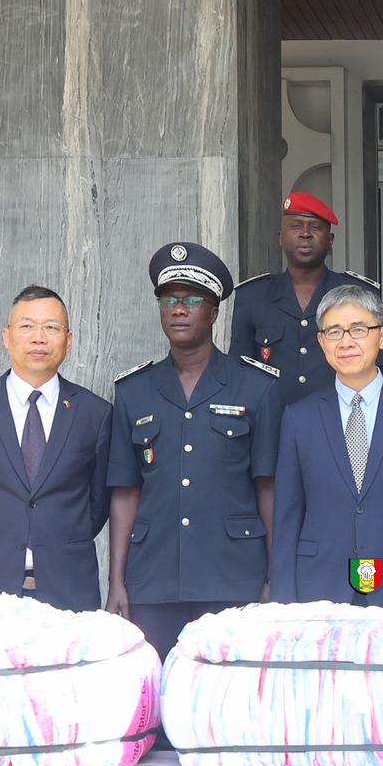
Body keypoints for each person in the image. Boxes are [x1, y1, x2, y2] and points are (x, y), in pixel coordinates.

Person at [108, 243, 281, 652]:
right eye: (169, 300)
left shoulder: (257, 388)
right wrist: (116, 579)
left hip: (234, 576)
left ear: (214, 311)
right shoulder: (133, 392)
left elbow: (269, 490)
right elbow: (126, 491)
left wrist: (275, 577)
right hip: (154, 578)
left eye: (191, 300)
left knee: (230, 704)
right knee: (160, 700)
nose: (179, 309)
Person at [270, 283, 383, 605]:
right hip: (319, 587)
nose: (346, 342)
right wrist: (285, 604)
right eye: (334, 332)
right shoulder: (298, 418)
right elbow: (287, 518)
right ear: (321, 342)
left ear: (382, 336)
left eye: (358, 329)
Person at [0, 285, 111, 610]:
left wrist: (63, 537)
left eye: (51, 328)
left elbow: (98, 500)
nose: (39, 338)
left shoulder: (95, 413)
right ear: (6, 336)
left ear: (68, 341)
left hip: (68, 579)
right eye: (26, 326)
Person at [228, 191, 383, 407]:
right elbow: (238, 373)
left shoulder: (358, 293)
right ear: (280, 237)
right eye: (296, 226)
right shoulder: (252, 296)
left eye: (315, 227)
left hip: (340, 423)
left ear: (330, 240)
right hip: (273, 427)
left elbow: (377, 371)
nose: (305, 234)